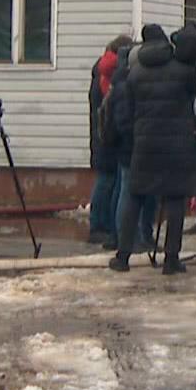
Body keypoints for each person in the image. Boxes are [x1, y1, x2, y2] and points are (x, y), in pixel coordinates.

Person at [112, 24, 196, 275]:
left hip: (144, 142)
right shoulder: (185, 71)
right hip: (177, 144)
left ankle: (122, 256)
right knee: (175, 199)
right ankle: (171, 259)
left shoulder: (136, 72)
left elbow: (130, 107)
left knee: (135, 195)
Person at [108, 26, 164, 255]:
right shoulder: (125, 84)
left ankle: (140, 236)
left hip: (138, 145)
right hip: (131, 147)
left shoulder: (127, 81)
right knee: (128, 192)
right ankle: (126, 239)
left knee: (138, 193)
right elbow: (123, 120)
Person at [88, 35, 132, 246]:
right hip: (109, 136)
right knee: (107, 182)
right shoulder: (110, 73)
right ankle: (99, 226)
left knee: (107, 181)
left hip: (102, 134)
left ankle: (102, 225)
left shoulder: (101, 70)